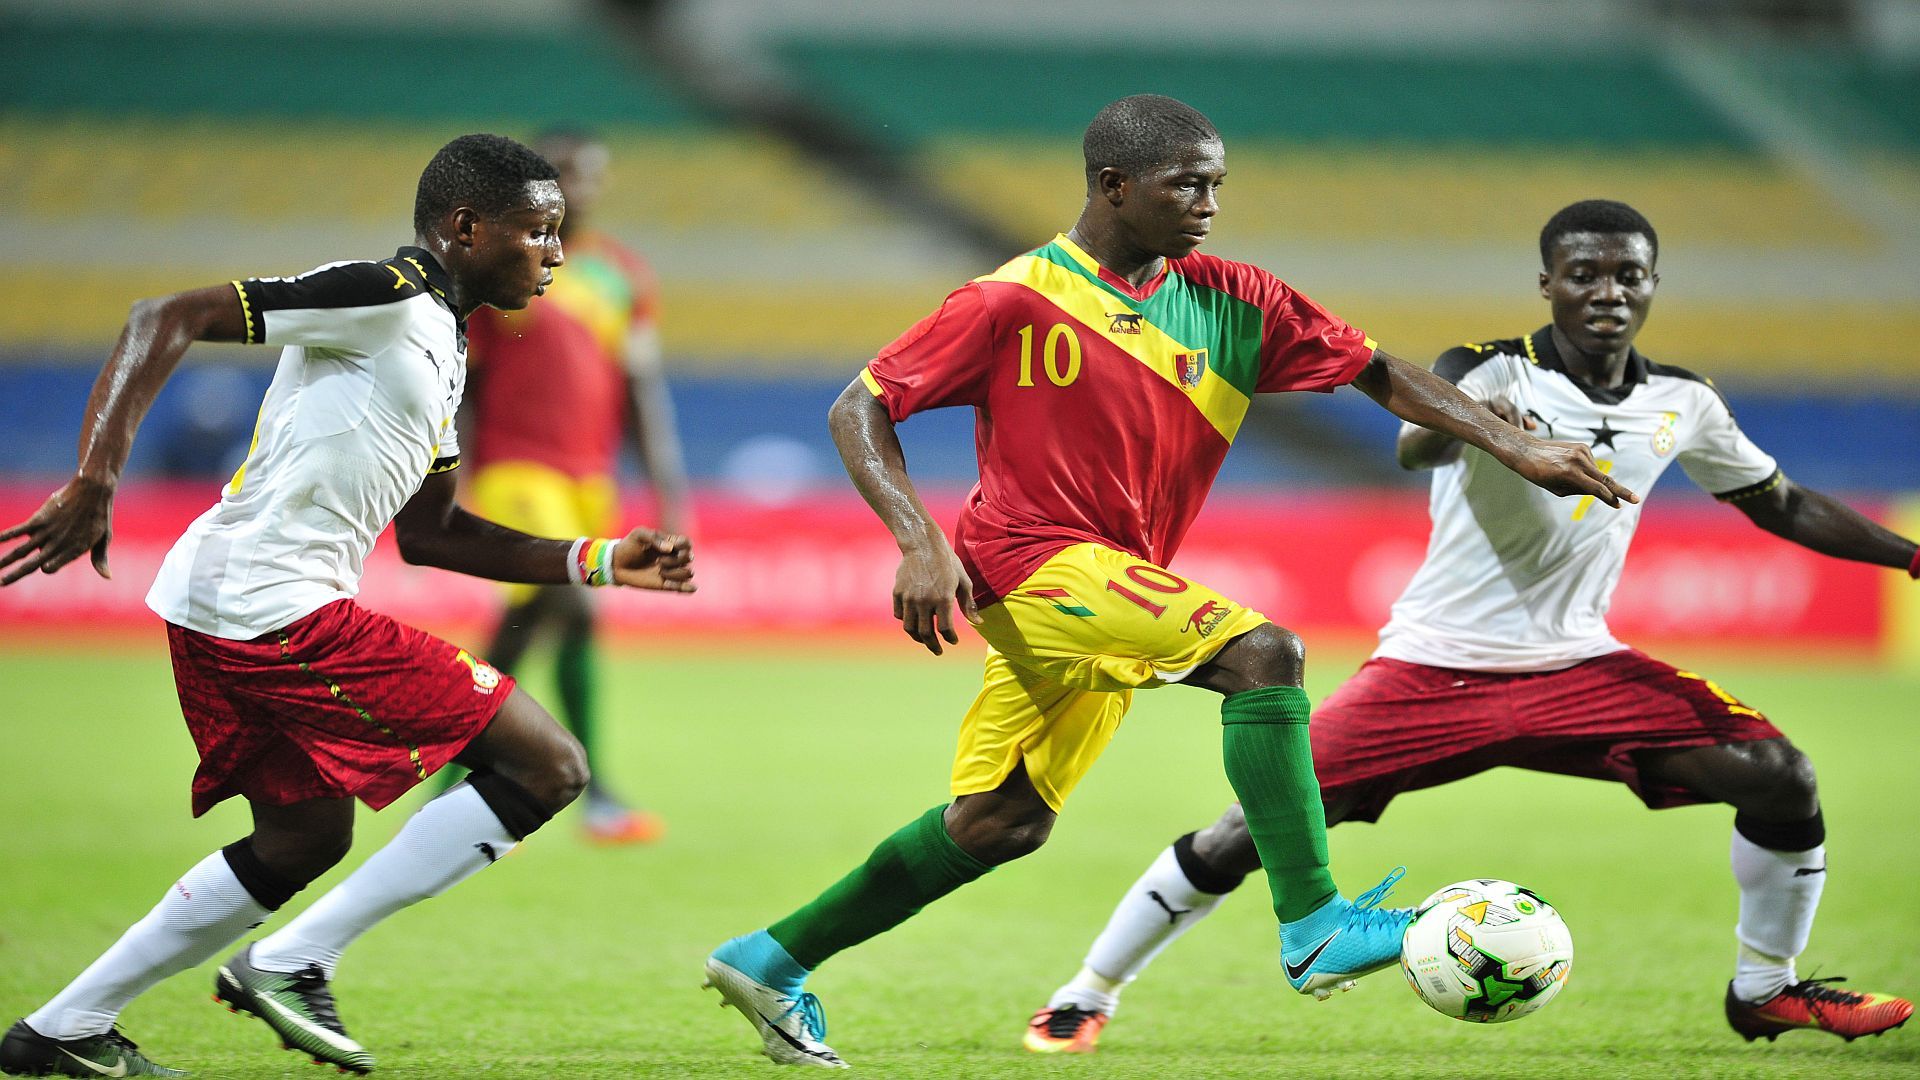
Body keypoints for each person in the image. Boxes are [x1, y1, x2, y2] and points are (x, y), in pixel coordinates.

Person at [701, 95, 1636, 1069]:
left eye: (1217, 185)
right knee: (1263, 654)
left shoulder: (1238, 298)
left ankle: (767, 961)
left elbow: (1378, 372)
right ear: (1114, 186)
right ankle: (1315, 923)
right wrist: (918, 540)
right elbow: (859, 407)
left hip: (1109, 579)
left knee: (1003, 823)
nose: (1209, 204)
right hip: (1029, 563)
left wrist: (1511, 444)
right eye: (1187, 185)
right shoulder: (1011, 300)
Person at [1022, 198, 1918, 1054]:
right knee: (1244, 833)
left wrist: (1911, 559)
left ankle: (1764, 989)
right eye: (1584, 275)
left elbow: (1781, 503)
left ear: (1653, 284)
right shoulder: (1489, 368)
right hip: (1431, 671)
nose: (1607, 292)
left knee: (1780, 777)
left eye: (1628, 275)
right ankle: (1085, 993)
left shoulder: (1684, 400)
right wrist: (1483, 426)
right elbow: (1416, 443)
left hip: (1580, 668)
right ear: (1548, 284)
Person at [0, 134, 694, 1078]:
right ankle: (293, 961)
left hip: (229, 602)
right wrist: (96, 478)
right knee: (549, 765)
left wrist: (602, 559)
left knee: (304, 837)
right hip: (271, 606)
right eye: (538, 232)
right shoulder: (384, 294)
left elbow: (433, 534)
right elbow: (164, 316)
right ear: (467, 227)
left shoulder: (444, 342)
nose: (557, 254)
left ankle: (61, 1028)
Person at [440, 127, 691, 844]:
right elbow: (462, 383)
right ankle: (595, 787)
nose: (578, 188)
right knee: (572, 606)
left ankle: (447, 780)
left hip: (590, 478)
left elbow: (640, 388)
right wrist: (445, 476)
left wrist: (669, 490)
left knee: (527, 625)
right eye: (564, 174)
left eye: (590, 175)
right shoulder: (500, 268)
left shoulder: (622, 274)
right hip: (517, 470)